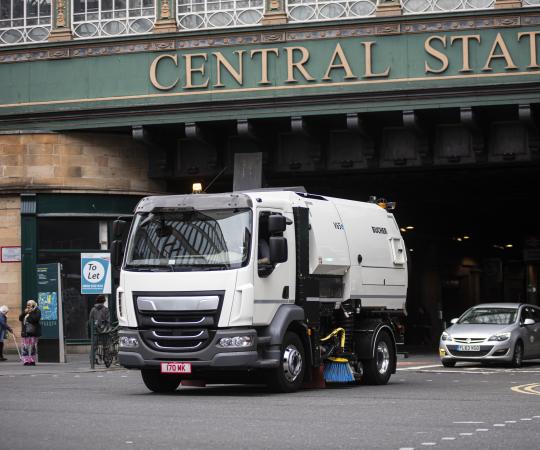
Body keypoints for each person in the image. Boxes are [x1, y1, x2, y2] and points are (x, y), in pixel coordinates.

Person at [89, 295, 111, 364]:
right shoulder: (106, 309)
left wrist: (93, 328)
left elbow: (90, 321)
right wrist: (107, 328)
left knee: (94, 346)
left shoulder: (93, 309)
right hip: (104, 331)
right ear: (104, 301)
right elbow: (108, 321)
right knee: (106, 346)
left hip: (95, 330)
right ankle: (106, 359)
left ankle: (92, 360)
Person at [19, 300, 41, 366]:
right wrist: (24, 313)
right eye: (27, 304)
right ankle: (25, 360)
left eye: (29, 304)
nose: (28, 306)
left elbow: (35, 319)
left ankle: (32, 360)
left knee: (32, 347)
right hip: (25, 331)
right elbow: (20, 318)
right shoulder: (26, 311)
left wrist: (30, 313)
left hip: (33, 332)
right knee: (25, 347)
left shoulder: (37, 310)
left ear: (33, 305)